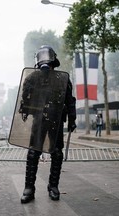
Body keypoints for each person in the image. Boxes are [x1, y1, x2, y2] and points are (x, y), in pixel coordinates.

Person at [19, 45, 76, 203]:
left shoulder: (62, 79)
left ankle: (53, 186)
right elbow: (25, 100)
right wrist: (27, 108)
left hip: (56, 121)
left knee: (56, 153)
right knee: (33, 153)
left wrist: (72, 118)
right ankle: (29, 188)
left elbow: (70, 101)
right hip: (39, 120)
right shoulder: (32, 79)